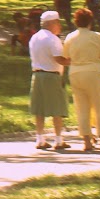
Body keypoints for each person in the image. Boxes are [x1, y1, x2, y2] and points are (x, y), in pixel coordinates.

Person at [63, 7, 100, 151]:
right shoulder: (97, 36)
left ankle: (87, 141)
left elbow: (66, 57)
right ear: (90, 21)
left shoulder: (70, 37)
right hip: (94, 71)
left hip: (75, 73)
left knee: (82, 107)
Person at [28, 10, 71, 151]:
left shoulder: (34, 38)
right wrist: (72, 61)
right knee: (56, 108)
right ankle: (58, 140)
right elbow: (59, 58)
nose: (59, 26)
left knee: (39, 109)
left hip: (37, 75)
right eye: (58, 23)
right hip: (51, 76)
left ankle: (40, 139)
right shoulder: (53, 39)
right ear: (52, 23)